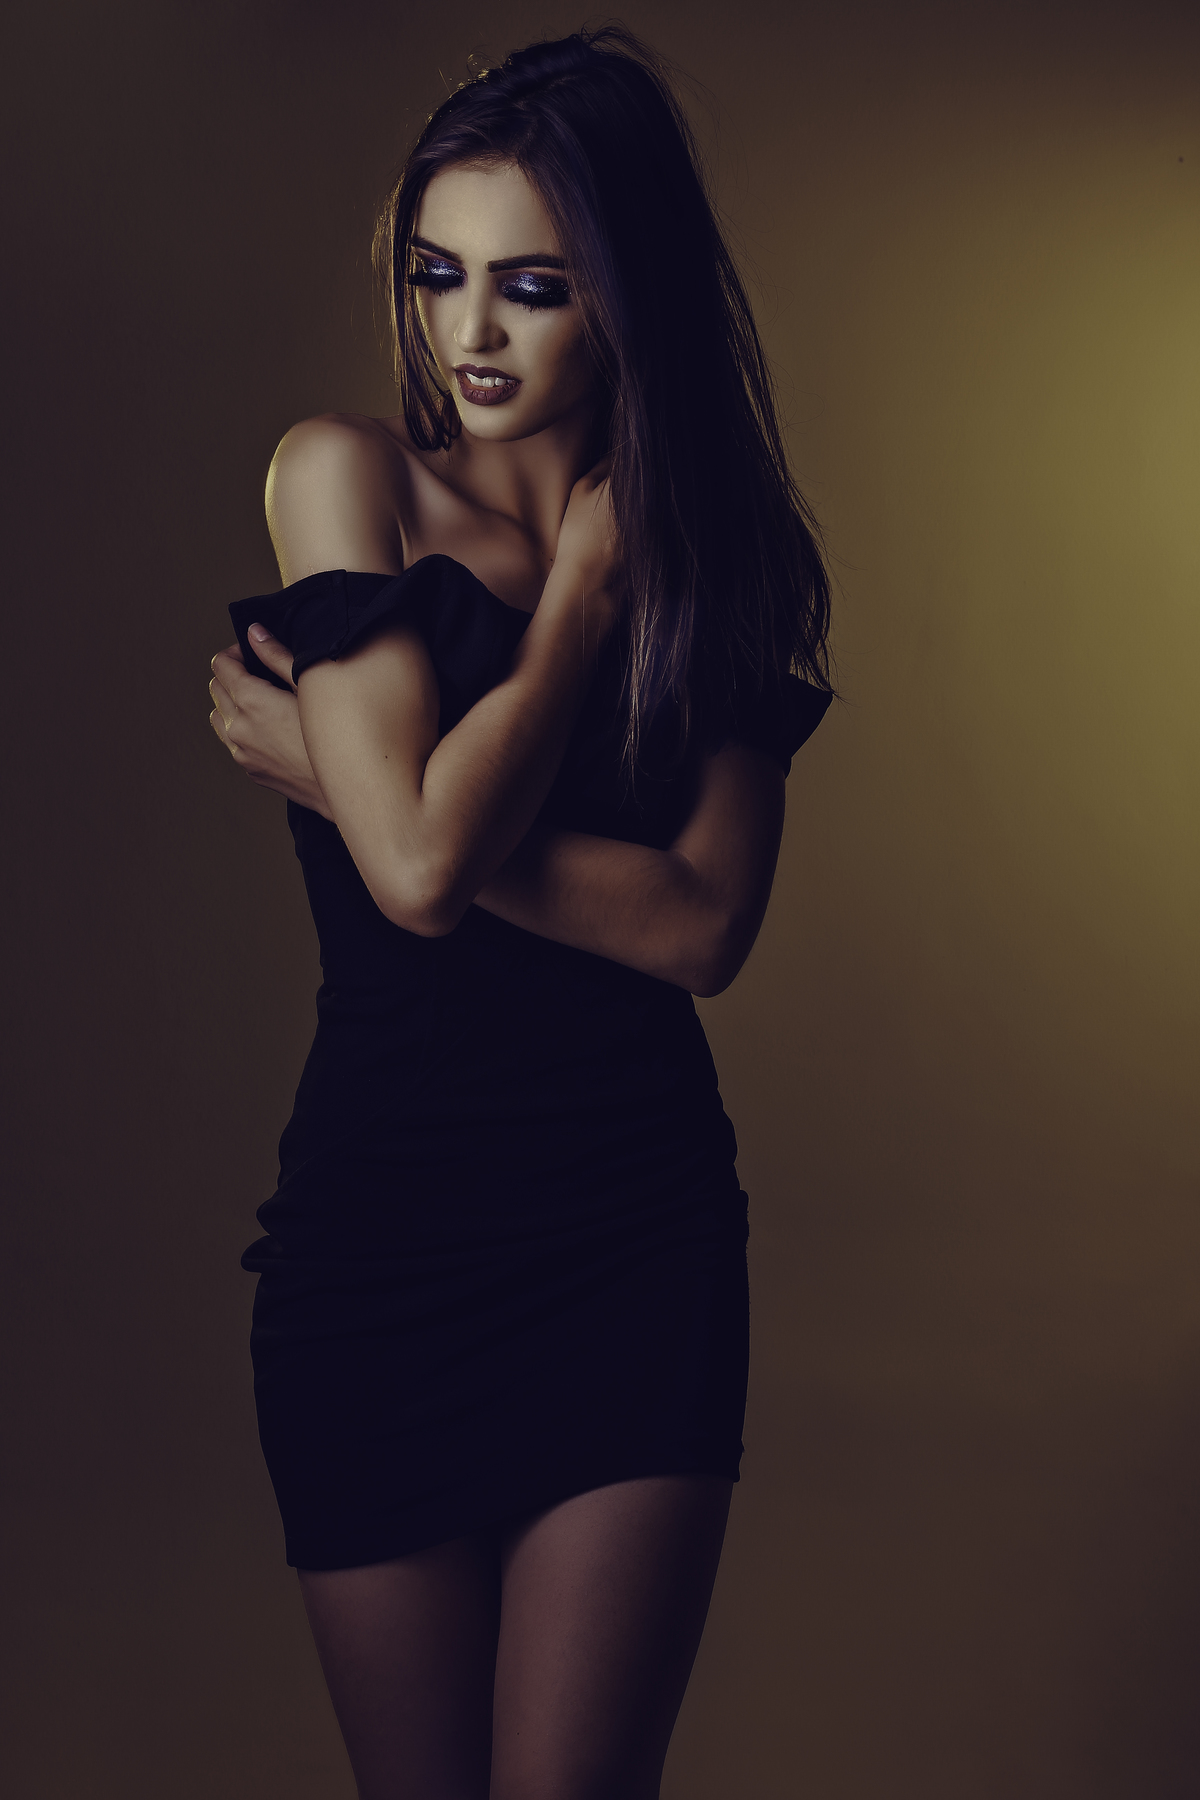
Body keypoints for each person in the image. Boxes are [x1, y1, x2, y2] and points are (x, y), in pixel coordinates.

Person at [208, 26, 832, 1800]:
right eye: (438, 275)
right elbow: (415, 881)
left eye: (531, 286)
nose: (467, 333)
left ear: (624, 295)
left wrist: (354, 784)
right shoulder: (347, 478)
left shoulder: (719, 556)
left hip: (633, 1239)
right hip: (379, 1251)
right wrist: (570, 616)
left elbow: (704, 927)